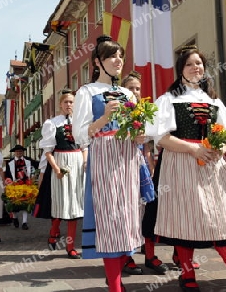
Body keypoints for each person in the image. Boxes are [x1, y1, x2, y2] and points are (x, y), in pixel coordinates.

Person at [146, 45, 226, 292]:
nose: (195, 68)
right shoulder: (168, 99)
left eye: (199, 64)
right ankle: (187, 275)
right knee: (184, 219)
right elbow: (161, 138)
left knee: (221, 220)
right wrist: (193, 149)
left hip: (212, 165)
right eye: (190, 64)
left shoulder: (214, 101)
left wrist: (219, 149)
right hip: (180, 163)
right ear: (181, 69)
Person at [72, 35, 144, 292]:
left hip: (128, 155)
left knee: (127, 216)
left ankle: (117, 272)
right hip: (103, 154)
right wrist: (103, 118)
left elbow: (138, 129)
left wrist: (143, 133)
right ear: (97, 62)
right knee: (109, 218)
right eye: (111, 56)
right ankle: (115, 285)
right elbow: (80, 134)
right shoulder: (86, 92)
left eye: (120, 56)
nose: (118, 60)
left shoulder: (127, 93)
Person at [120, 71, 169, 276]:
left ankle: (149, 255)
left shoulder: (145, 111)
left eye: (137, 88)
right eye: (130, 88)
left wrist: (151, 168)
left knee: (148, 212)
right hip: (123, 165)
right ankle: (126, 257)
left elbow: (149, 146)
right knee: (127, 213)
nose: (135, 92)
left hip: (142, 166)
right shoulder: (119, 112)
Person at [39, 89, 86, 259]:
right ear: (60, 104)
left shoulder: (80, 123)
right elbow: (48, 150)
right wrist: (56, 169)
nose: (69, 105)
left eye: (72, 102)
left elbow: (84, 146)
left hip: (78, 165)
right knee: (61, 204)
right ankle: (53, 232)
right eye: (66, 102)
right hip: (61, 164)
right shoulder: (52, 123)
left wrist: (85, 162)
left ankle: (70, 246)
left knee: (74, 207)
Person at [4, 144, 39, 230]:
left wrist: (34, 175)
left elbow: (38, 166)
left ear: (23, 152)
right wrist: (8, 182)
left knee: (25, 204)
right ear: (14, 152)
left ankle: (24, 222)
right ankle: (15, 218)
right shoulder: (9, 163)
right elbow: (7, 175)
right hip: (14, 186)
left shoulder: (28, 161)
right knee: (14, 204)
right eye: (17, 151)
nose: (19, 153)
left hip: (26, 185)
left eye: (20, 151)